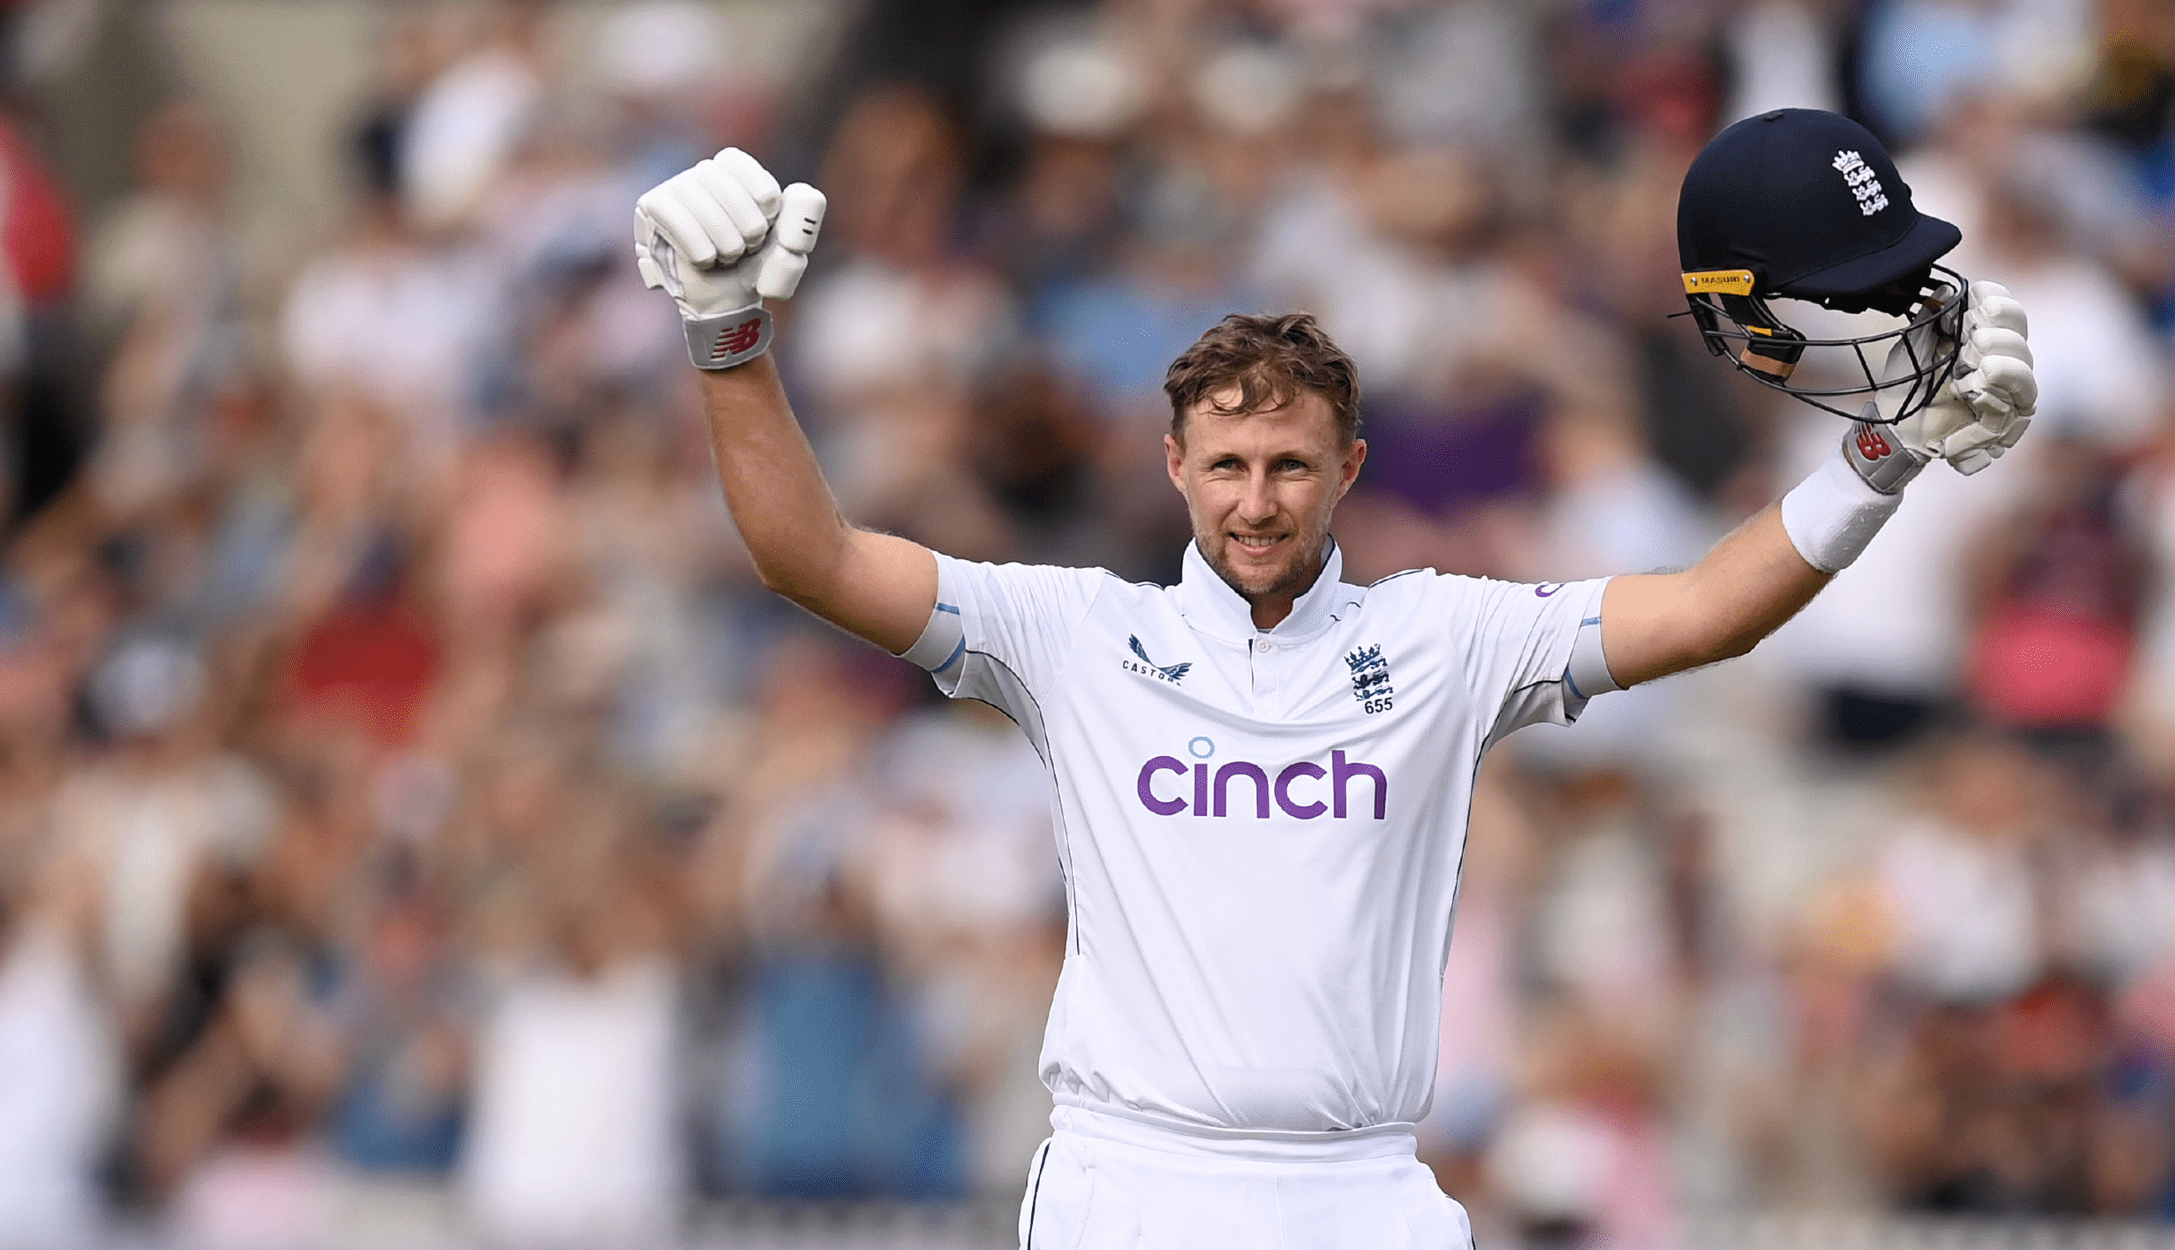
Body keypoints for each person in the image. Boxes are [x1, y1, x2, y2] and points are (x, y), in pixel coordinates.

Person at [631, 109, 2037, 1248]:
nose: (1258, 500)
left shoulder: (1444, 637)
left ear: (1348, 470)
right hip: (1136, 1186)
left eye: (1292, 464)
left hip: (1363, 1189)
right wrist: (730, 349)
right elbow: (807, 554)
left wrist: (1885, 454)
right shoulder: (1070, 633)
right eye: (1228, 466)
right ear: (1174, 466)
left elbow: (1705, 612)